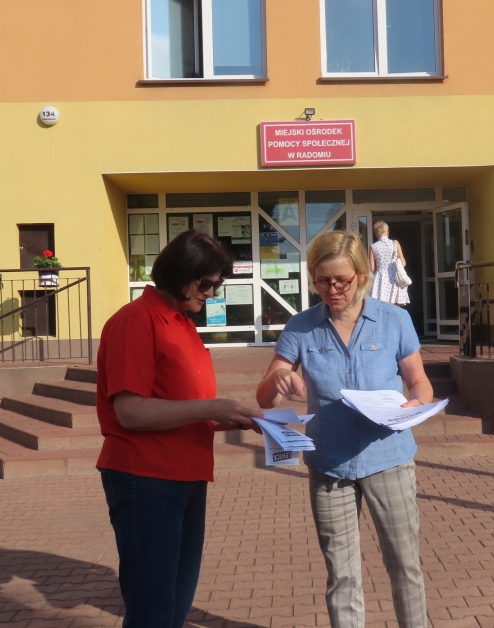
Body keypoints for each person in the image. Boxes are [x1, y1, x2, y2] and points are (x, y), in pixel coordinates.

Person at [256, 230, 434, 628]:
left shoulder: (394, 320)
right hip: (330, 464)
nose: (332, 289)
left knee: (404, 566)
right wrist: (278, 380)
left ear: (362, 276)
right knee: (342, 575)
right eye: (322, 281)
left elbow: (419, 382)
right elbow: (265, 399)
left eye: (341, 280)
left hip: (388, 458)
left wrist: (416, 404)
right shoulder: (301, 327)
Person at [95, 230, 262, 628]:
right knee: (153, 608)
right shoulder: (137, 321)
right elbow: (131, 412)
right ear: (180, 272)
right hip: (145, 476)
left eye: (217, 285)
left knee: (175, 604)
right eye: (205, 283)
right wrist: (212, 407)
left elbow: (179, 407)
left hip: (186, 474)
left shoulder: (180, 322)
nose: (211, 293)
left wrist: (237, 418)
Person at [369, 220, 410, 306]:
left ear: (376, 234)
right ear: (387, 232)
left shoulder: (373, 247)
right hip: (395, 277)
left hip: (380, 278)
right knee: (395, 306)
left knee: (381, 306)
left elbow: (372, 268)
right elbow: (403, 263)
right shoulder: (395, 243)